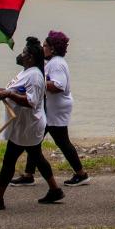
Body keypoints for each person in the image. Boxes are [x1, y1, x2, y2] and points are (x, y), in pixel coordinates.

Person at [0, 37, 65, 211]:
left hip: (27, 127)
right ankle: (55, 189)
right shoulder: (27, 72)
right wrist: (0, 90)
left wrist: (8, 94)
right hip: (24, 127)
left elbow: (31, 101)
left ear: (30, 57)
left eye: (24, 52)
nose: (21, 55)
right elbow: (17, 90)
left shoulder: (36, 77)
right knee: (37, 156)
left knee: (9, 161)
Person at [13, 31, 89, 187]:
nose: (42, 48)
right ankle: (29, 174)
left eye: (45, 45)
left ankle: (81, 174)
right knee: (35, 140)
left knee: (60, 141)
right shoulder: (53, 62)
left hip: (57, 109)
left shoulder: (57, 64)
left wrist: (38, 84)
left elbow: (58, 85)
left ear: (53, 48)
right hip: (51, 107)